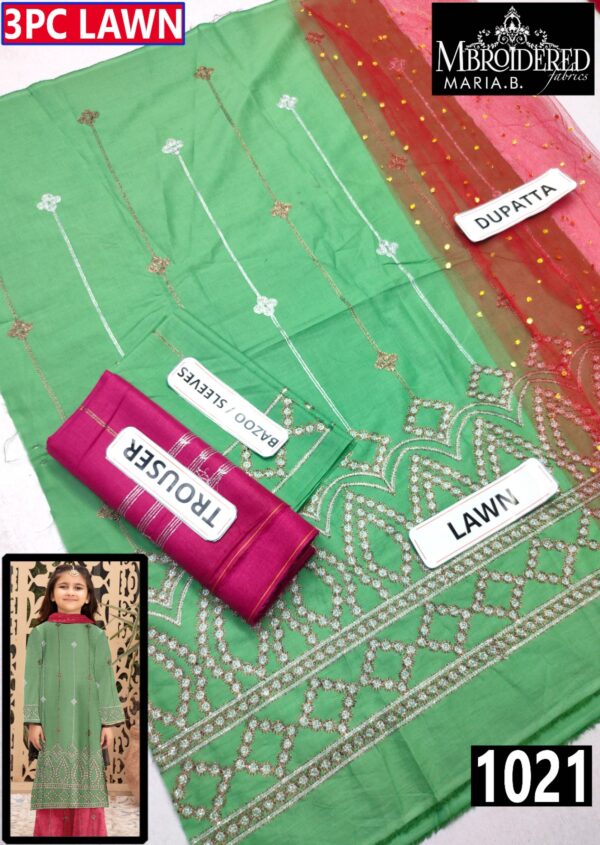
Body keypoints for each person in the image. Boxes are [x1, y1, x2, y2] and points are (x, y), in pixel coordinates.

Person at [23, 563, 125, 837]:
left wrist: (108, 723)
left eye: (78, 587)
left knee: (86, 777)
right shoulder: (40, 633)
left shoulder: (96, 635)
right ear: (52, 594)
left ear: (88, 596)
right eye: (63, 586)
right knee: (53, 776)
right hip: (51, 719)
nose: (71, 592)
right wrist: (33, 721)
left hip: (88, 720)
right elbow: (31, 680)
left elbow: (105, 679)